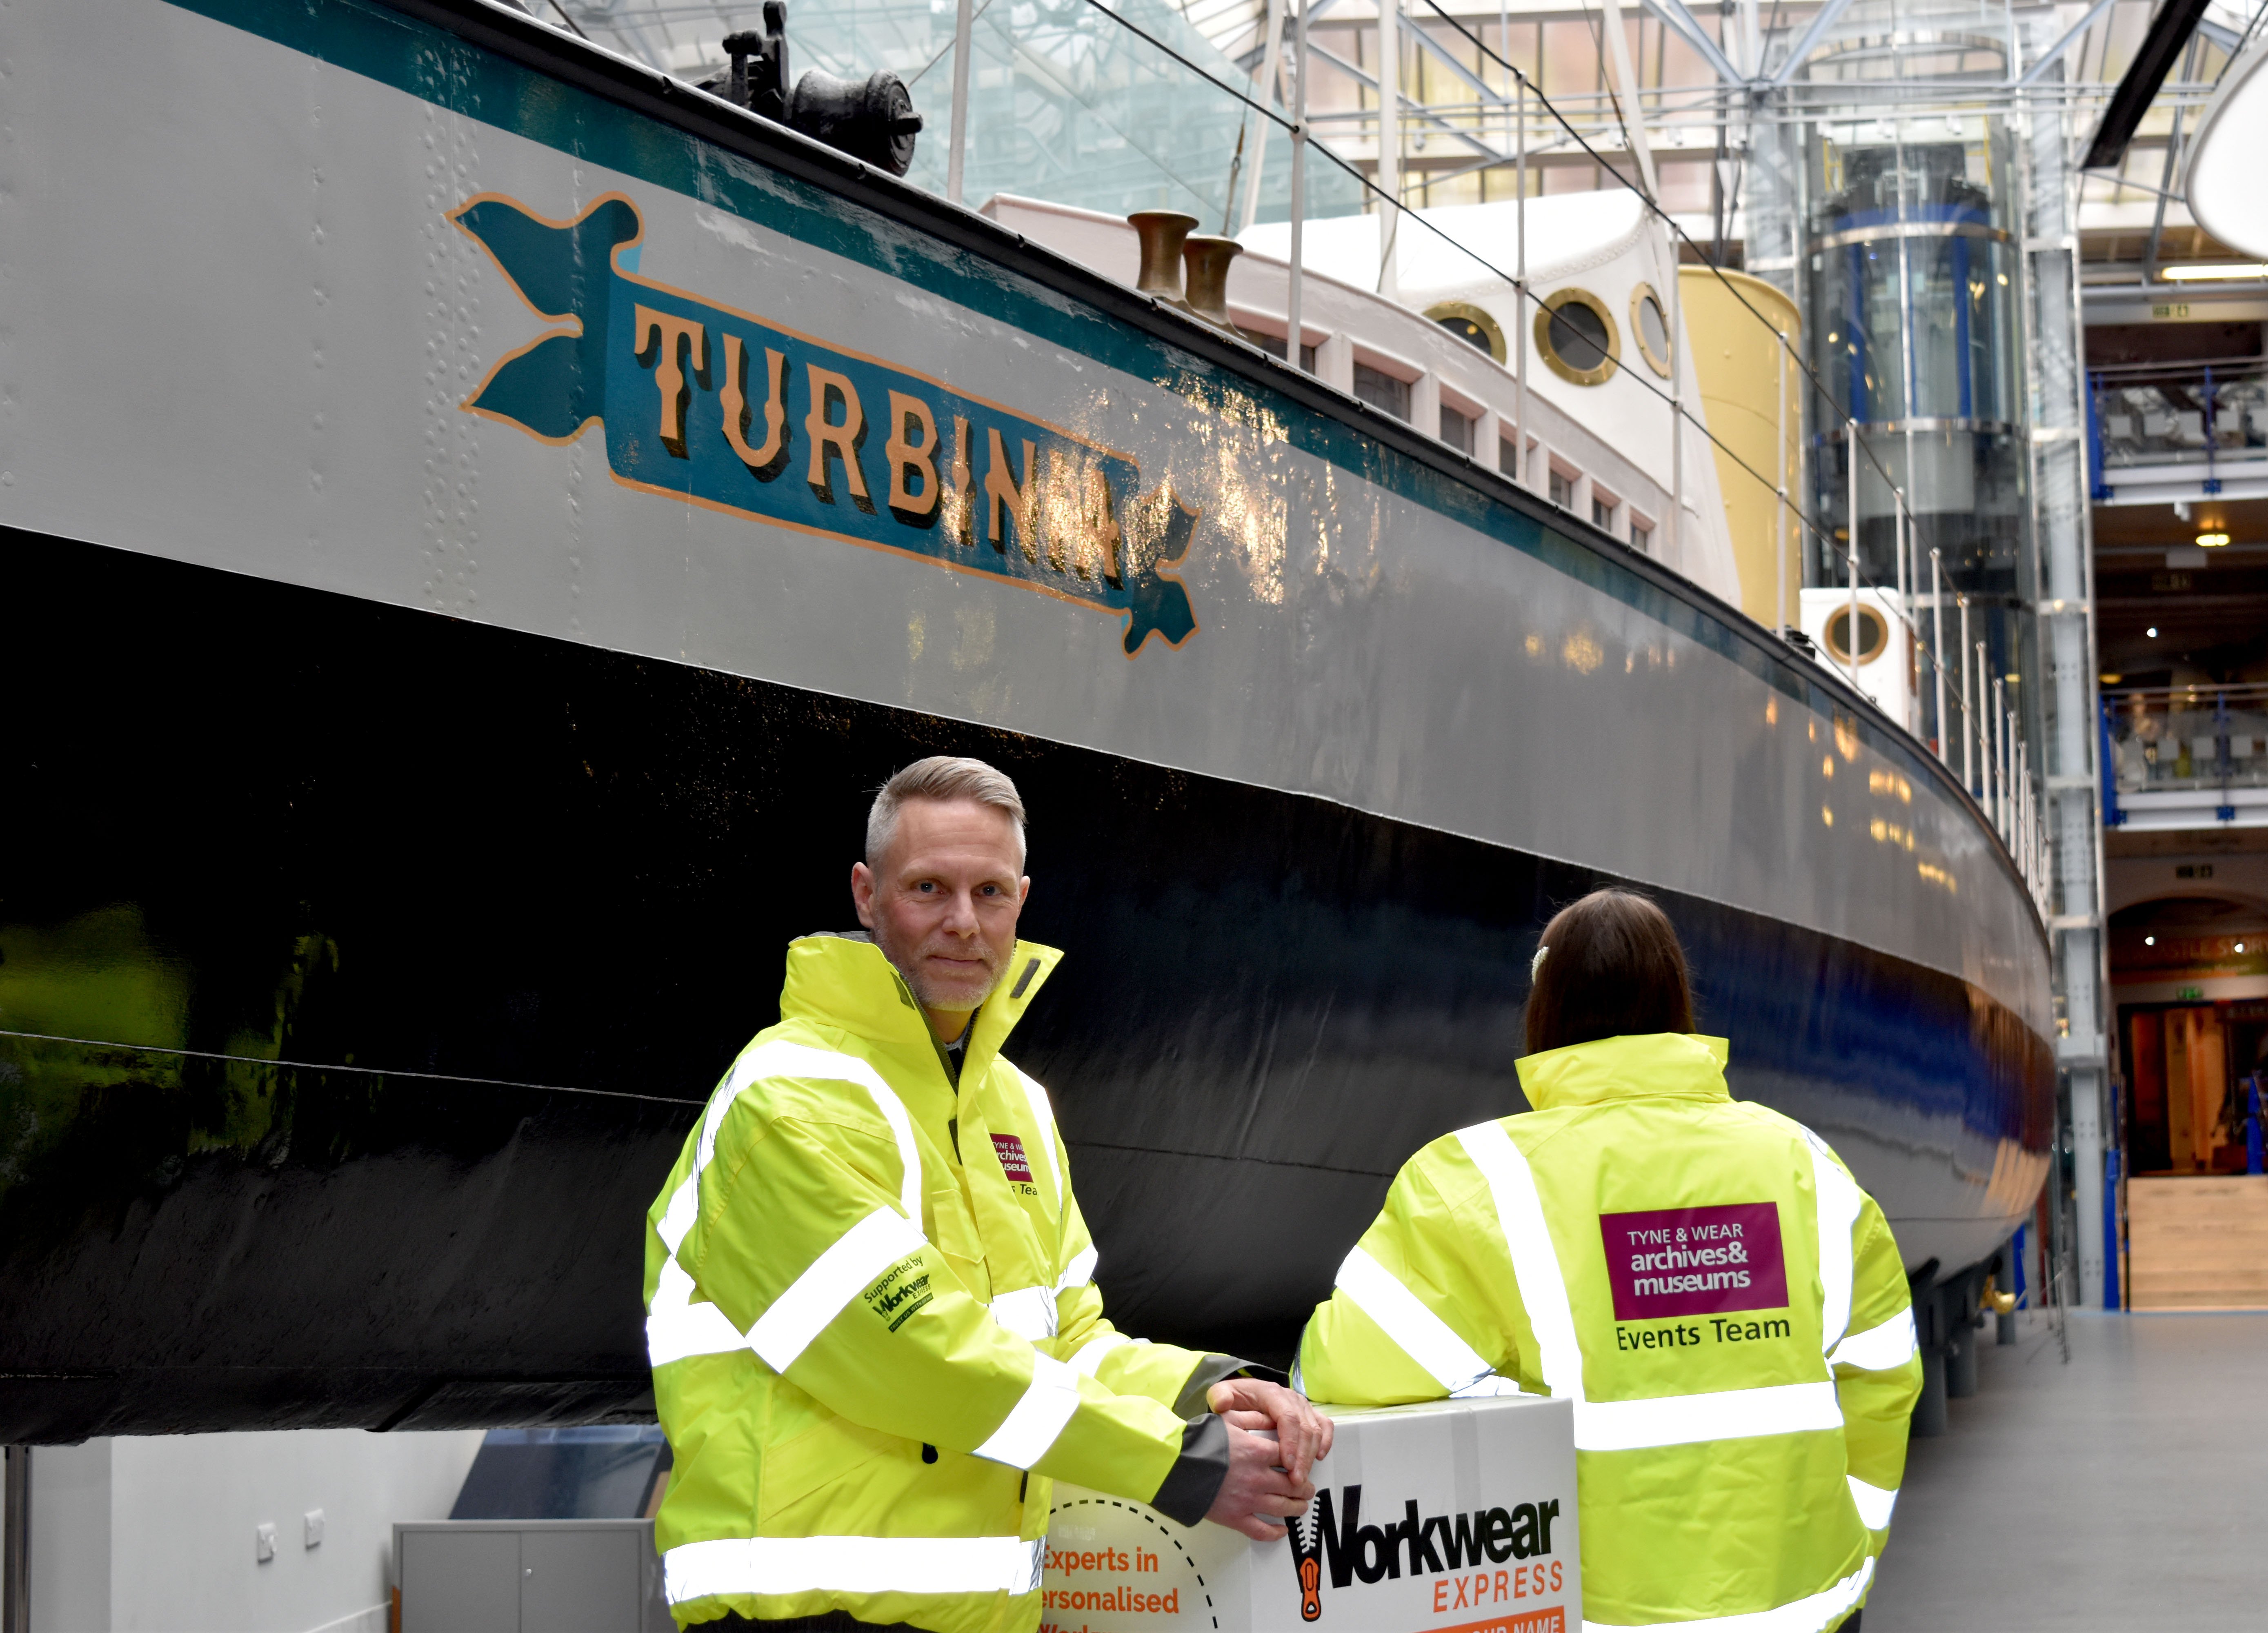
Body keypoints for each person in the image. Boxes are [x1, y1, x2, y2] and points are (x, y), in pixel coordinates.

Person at [643, 755, 1332, 1632]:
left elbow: (1068, 1341)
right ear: (865, 894)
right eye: (928, 887)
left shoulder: (1017, 1106)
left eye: (991, 892)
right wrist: (1182, 1463)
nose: (963, 922)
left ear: (1023, 900)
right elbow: (915, 1350)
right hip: (809, 1614)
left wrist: (1214, 1390)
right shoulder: (790, 1096)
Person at [1295, 888, 1921, 1633]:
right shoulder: (1805, 1165)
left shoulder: (1479, 1180)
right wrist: (1852, 1547)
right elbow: (1882, 1375)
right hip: (1808, 1608)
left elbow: (1333, 1376)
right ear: (1679, 1002)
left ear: (1545, 1012)